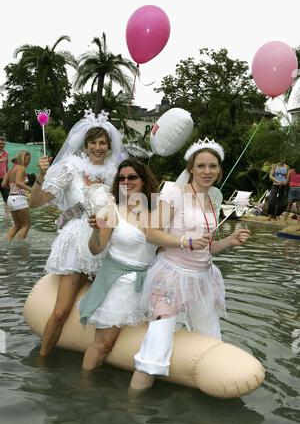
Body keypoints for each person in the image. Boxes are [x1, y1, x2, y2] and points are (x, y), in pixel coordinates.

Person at [129, 139, 251, 391]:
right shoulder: (175, 193)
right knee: (156, 346)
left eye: (213, 166)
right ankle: (131, 408)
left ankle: (212, 393)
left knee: (211, 339)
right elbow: (151, 233)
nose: (207, 171)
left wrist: (228, 241)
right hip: (171, 277)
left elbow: (205, 247)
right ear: (191, 168)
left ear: (219, 169)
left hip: (203, 279)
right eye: (201, 166)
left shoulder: (213, 199)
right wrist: (185, 241)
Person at [79, 158, 207, 370]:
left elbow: (165, 248)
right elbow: (96, 249)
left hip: (148, 284)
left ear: (143, 180)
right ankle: (83, 390)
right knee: (103, 344)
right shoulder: (113, 210)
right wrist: (94, 230)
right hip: (117, 284)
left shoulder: (158, 212)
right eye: (121, 178)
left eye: (132, 177)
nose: (126, 182)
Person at [29, 110, 122, 358]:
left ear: (109, 146)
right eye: (93, 142)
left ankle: (94, 362)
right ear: (85, 144)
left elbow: (129, 210)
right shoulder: (70, 169)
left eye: (103, 142)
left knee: (103, 312)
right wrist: (40, 176)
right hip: (75, 243)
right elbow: (35, 203)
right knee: (60, 312)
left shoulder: (117, 175)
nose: (98, 147)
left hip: (105, 243)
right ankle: (42, 361)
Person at [6, 150, 32, 240]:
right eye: (28, 159)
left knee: (17, 225)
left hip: (11, 198)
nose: (29, 161)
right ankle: (19, 248)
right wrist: (31, 190)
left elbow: (3, 184)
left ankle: (6, 243)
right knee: (26, 225)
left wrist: (14, 189)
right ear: (23, 157)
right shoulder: (21, 168)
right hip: (19, 199)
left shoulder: (11, 169)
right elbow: (18, 183)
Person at [0, 136, 9, 213]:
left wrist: (8, 176)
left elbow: (6, 166)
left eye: (3, 144)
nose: (2, 145)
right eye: (0, 143)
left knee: (7, 199)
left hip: (4, 178)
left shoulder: (6, 153)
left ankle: (7, 217)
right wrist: (1, 160)